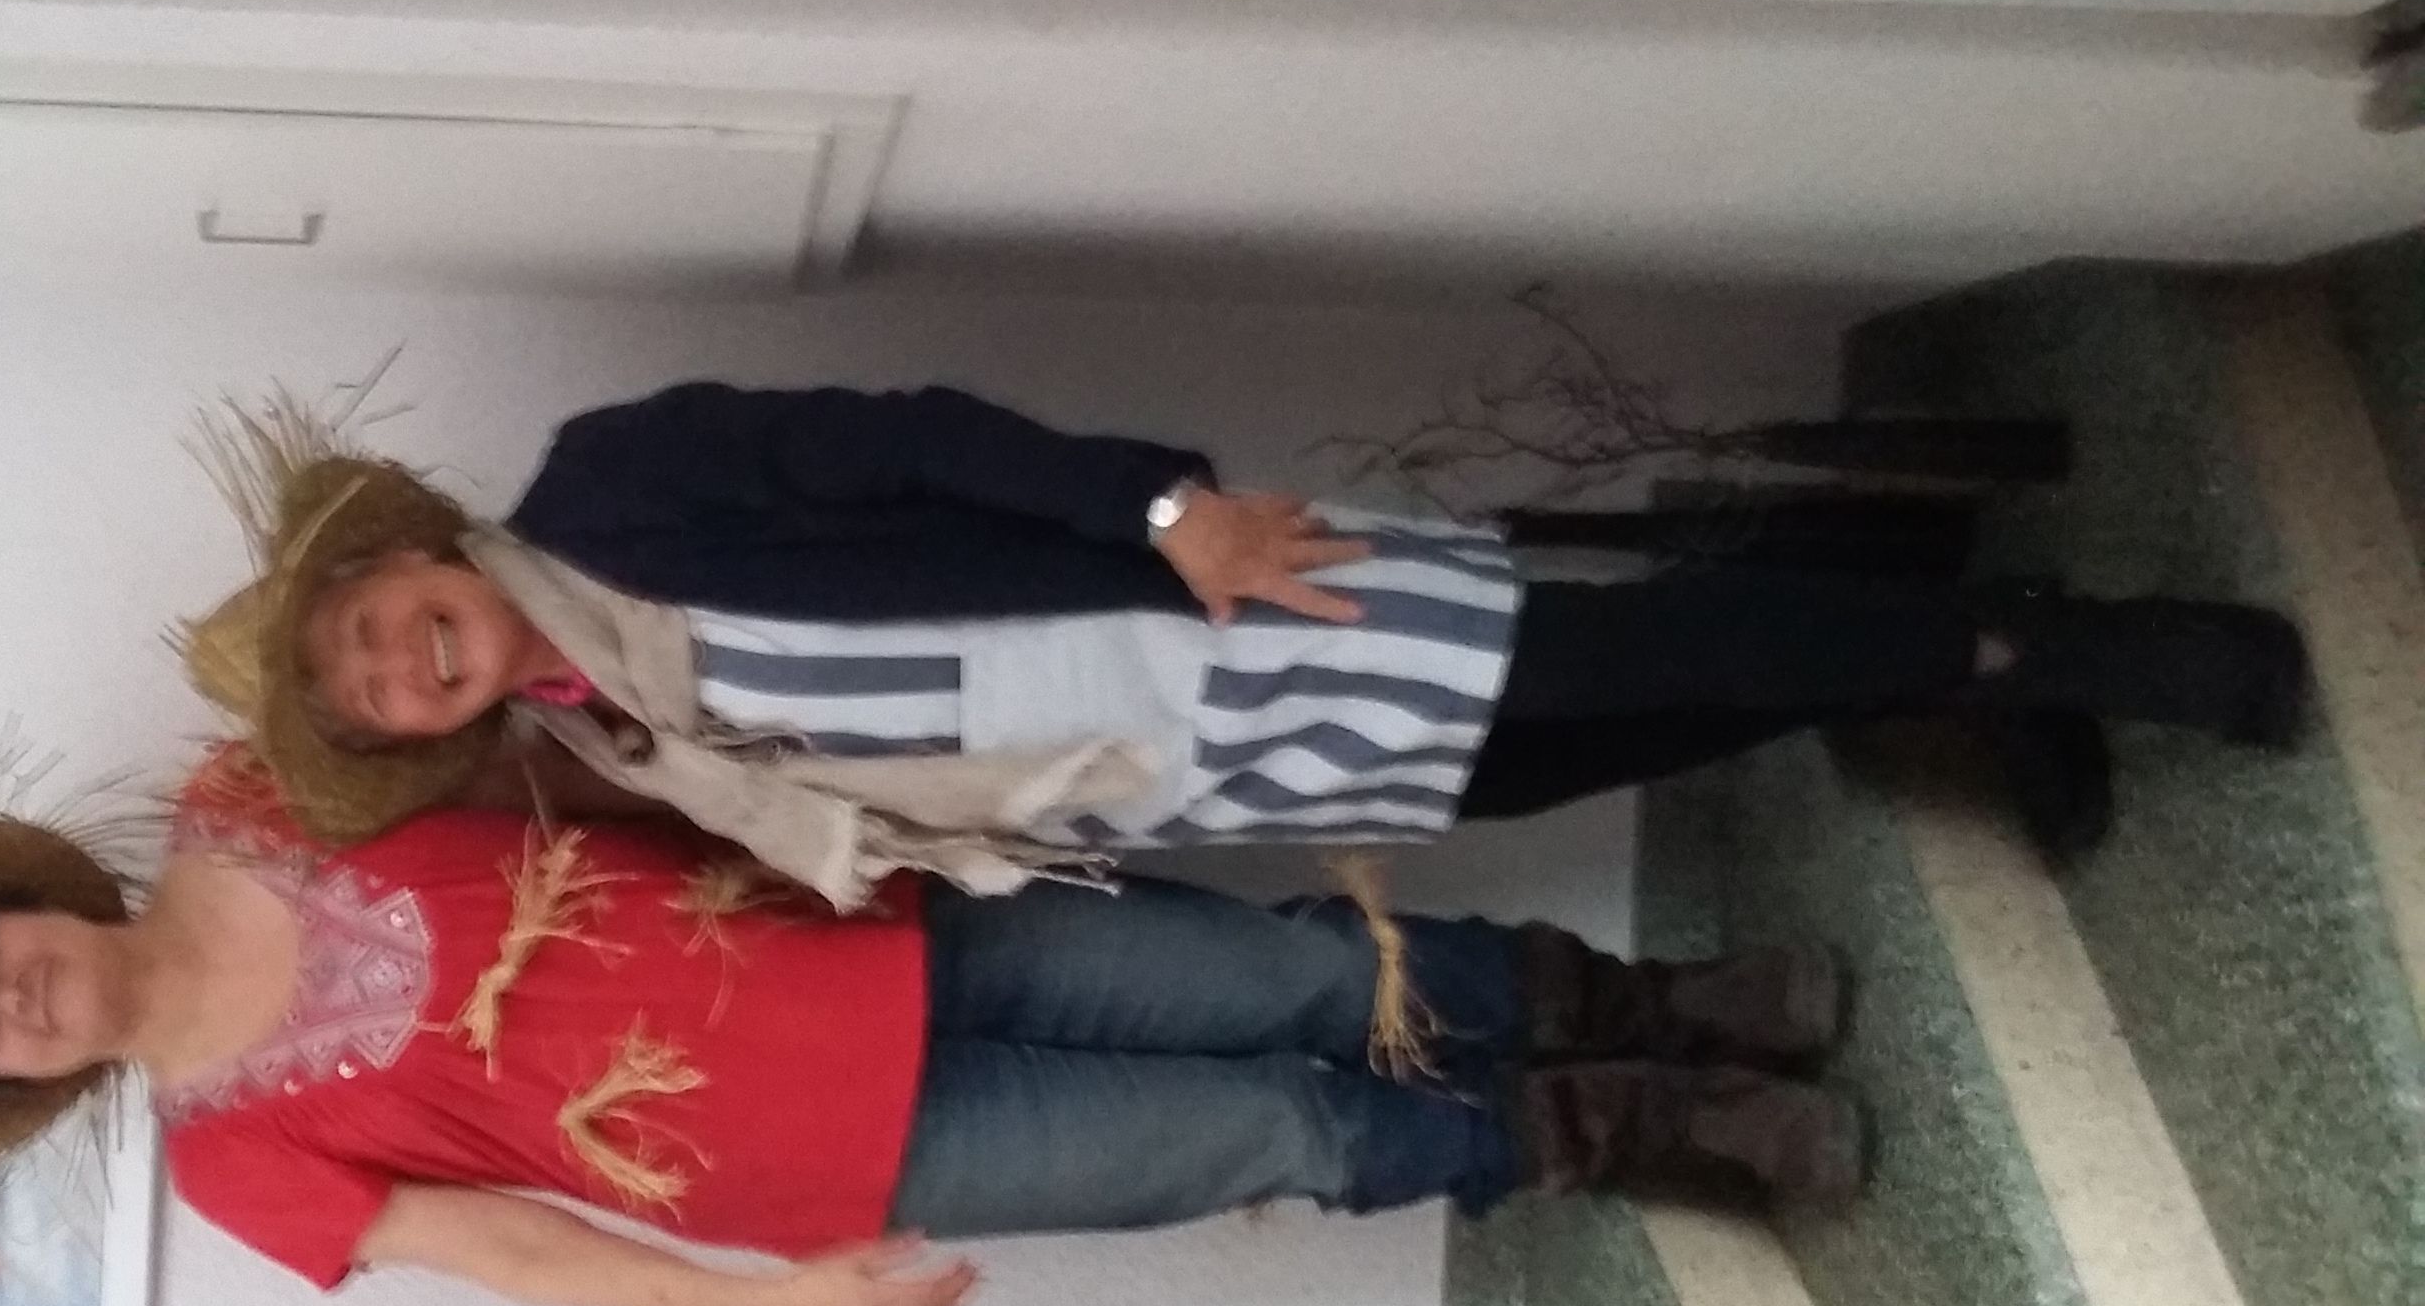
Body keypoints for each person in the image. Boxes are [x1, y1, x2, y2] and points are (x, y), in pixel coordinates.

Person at [0, 741, 1866, 1306]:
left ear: (16, 900)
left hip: (884, 917)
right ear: (18, 1085)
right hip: (857, 1158)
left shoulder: (250, 789)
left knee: (1300, 981)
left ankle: (1669, 1003)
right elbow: (510, 1248)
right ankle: (1661, 1124)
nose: (1, 999)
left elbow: (563, 750)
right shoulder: (235, 1163)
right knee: (1288, 1134)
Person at [174, 381, 2307, 897]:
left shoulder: (614, 484)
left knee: (1625, 654)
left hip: (1201, 617)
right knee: (1580, 746)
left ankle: (2087, 650)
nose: (396, 665)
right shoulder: (605, 747)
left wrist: (1166, 511)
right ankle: (1963, 643)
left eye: (370, 623)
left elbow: (913, 440)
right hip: (1184, 775)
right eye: (364, 690)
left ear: (404, 551)